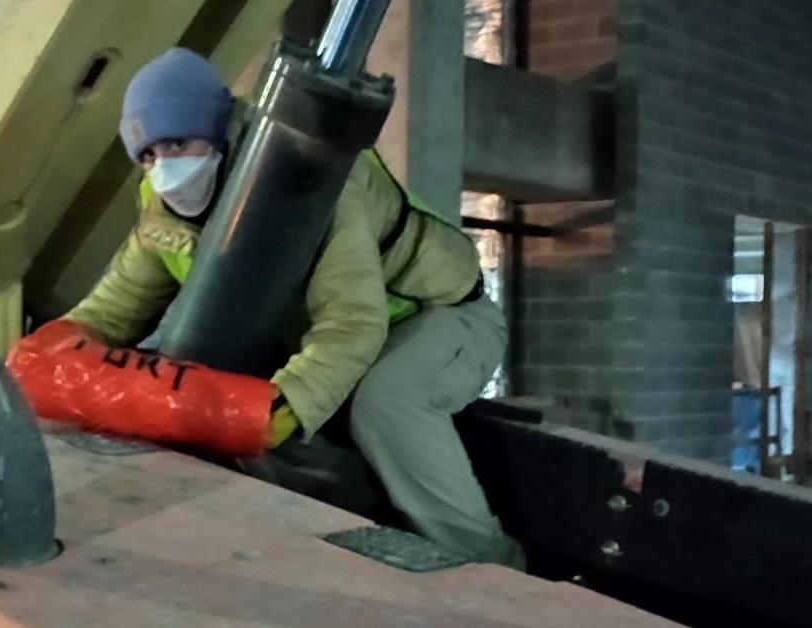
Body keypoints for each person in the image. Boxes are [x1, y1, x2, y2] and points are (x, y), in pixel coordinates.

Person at [61, 47, 522, 567]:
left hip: (438, 315)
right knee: (229, 399)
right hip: (334, 334)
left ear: (218, 132)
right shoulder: (164, 208)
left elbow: (351, 322)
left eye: (177, 143)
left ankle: (487, 563)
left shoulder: (309, 175)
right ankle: (354, 534)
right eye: (148, 155)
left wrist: (278, 412)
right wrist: (57, 346)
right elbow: (119, 305)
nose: (165, 168)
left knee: (386, 402)